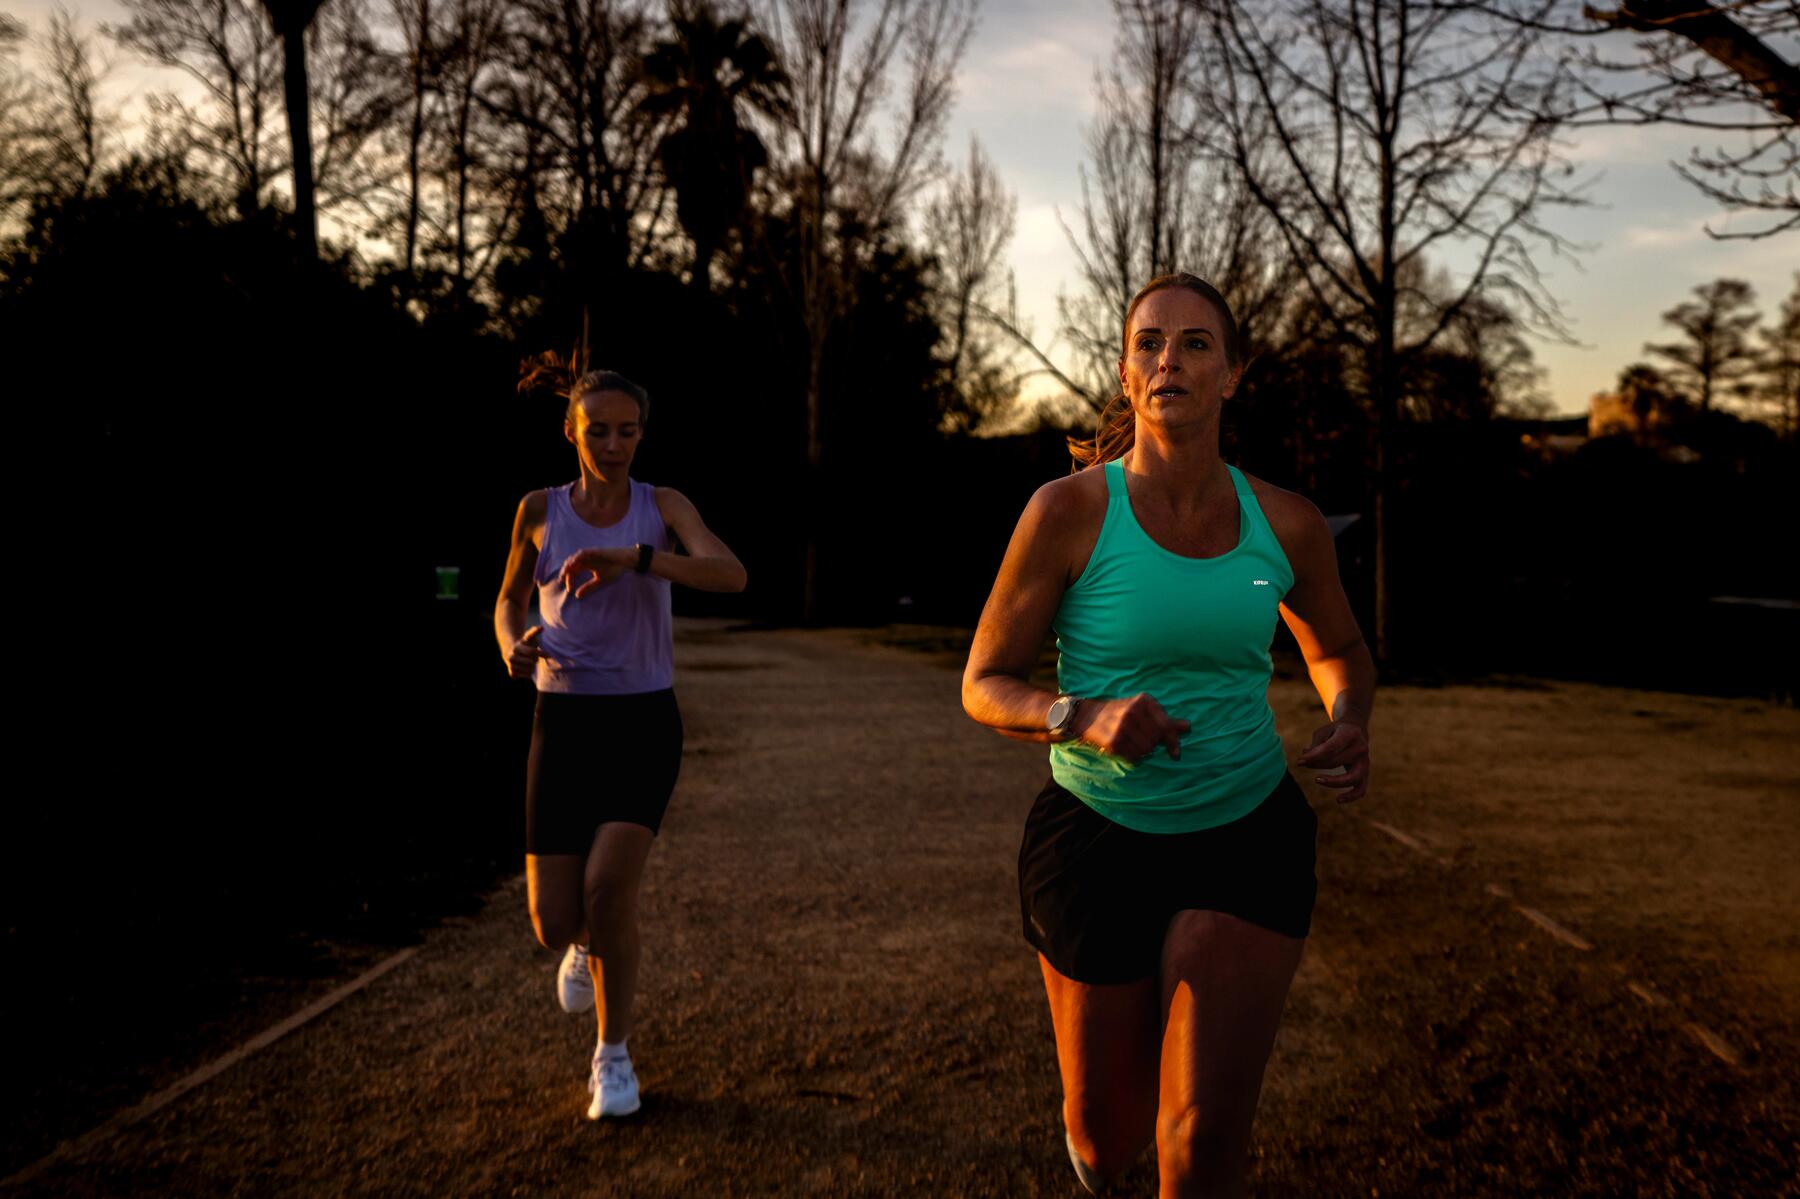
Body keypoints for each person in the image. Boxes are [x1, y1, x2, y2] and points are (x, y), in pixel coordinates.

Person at [961, 273, 1375, 1197]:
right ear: (1125, 372)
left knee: (1199, 1140)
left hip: (1247, 833)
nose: (1169, 360)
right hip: (1097, 840)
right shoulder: (1066, 512)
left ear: (1231, 375)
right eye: (1150, 342)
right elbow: (983, 684)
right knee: (1107, 1142)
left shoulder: (1290, 523)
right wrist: (1079, 715)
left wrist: (1349, 714)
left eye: (1195, 344)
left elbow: (1340, 647)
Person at [494, 364, 746, 1120]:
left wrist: (636, 558)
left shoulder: (660, 505)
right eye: (596, 429)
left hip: (642, 722)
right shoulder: (537, 510)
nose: (613, 443)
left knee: (610, 890)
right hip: (562, 722)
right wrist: (510, 642)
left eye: (626, 430)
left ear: (642, 432)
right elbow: (507, 599)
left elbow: (730, 574)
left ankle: (614, 1058)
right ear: (570, 431)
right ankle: (581, 944)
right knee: (552, 922)